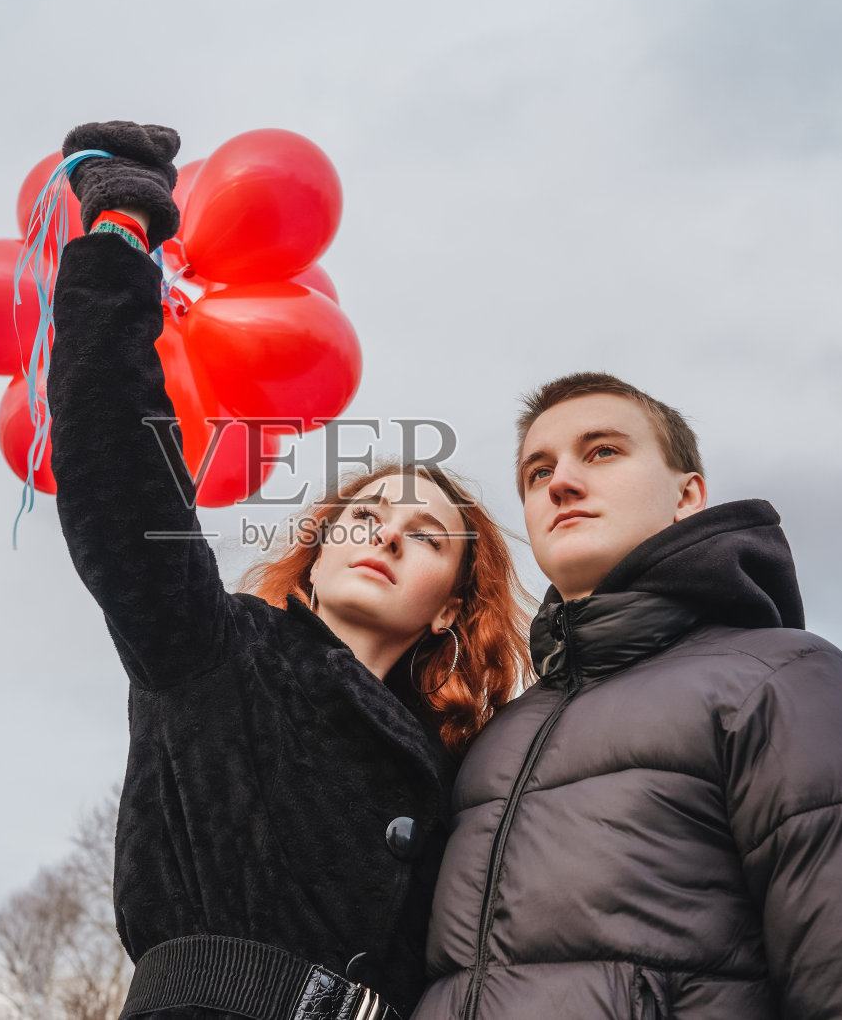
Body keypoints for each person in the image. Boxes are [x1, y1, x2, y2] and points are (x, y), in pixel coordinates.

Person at [44, 121, 532, 1020]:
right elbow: (117, 477)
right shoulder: (219, 649)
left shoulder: (462, 772)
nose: (388, 537)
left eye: (427, 536)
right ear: (312, 563)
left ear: (447, 613)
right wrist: (118, 236)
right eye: (366, 516)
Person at [412, 372, 842, 1020]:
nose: (562, 482)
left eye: (602, 451)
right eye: (537, 471)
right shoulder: (494, 740)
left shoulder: (779, 678)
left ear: (689, 495)